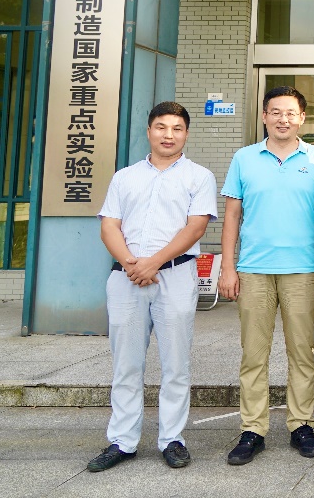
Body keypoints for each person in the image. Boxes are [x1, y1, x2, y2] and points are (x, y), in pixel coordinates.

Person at [87, 102, 217, 473]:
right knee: (126, 364)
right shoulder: (124, 177)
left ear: (186, 134)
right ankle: (122, 441)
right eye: (161, 127)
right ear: (149, 131)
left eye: (177, 128)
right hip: (126, 277)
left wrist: (153, 262)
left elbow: (195, 227)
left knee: (176, 364)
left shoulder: (199, 176)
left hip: (175, 276)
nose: (168, 135)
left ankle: (172, 439)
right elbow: (109, 226)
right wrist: (132, 263)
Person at [217, 86, 314, 465]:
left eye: (291, 113)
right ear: (264, 116)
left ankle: (302, 424)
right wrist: (228, 267)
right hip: (253, 270)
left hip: (302, 270)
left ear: (302, 118)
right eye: (276, 112)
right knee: (254, 354)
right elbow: (232, 215)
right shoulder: (244, 158)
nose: (284, 119)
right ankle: (253, 429)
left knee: (302, 353)